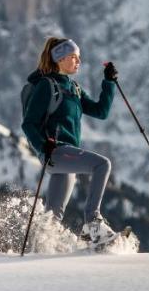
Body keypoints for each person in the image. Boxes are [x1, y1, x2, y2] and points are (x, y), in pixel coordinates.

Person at [20, 36, 120, 245]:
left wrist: (109, 82)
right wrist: (42, 145)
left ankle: (42, 247)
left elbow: (100, 111)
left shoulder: (73, 88)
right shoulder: (46, 86)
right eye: (73, 57)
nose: (78, 61)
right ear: (60, 59)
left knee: (52, 218)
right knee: (102, 164)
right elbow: (28, 123)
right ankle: (92, 223)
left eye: (79, 57)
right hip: (55, 151)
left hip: (66, 154)